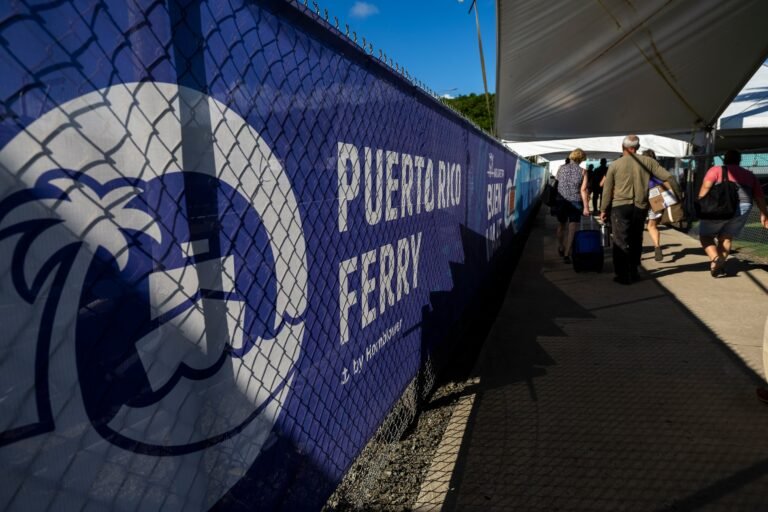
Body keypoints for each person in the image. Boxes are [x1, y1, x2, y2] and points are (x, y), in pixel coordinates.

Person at [599, 135, 679, 284]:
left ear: (624, 147)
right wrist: (677, 197)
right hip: (640, 206)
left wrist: (603, 209)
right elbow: (669, 177)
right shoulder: (649, 162)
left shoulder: (615, 165)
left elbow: (607, 189)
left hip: (620, 207)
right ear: (637, 147)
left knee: (620, 241)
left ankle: (622, 275)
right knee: (636, 239)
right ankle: (634, 271)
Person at [698, 149, 768, 277]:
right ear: (739, 160)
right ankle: (718, 265)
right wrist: (764, 213)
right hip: (744, 207)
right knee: (726, 237)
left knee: (706, 236)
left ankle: (715, 259)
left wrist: (701, 204)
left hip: (719, 207)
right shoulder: (749, 175)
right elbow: (759, 197)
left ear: (725, 159)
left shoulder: (716, 170)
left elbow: (705, 188)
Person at [555, 149, 590, 263]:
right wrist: (586, 207)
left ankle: (561, 246)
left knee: (561, 225)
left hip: (561, 200)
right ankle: (567, 254)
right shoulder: (583, 171)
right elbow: (583, 190)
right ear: (581, 159)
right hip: (575, 201)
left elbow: (557, 182)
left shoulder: (561, 168)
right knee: (572, 228)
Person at [642, 149, 664, 261]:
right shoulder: (658, 168)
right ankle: (657, 246)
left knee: (638, 226)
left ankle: (637, 252)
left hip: (642, 196)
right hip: (657, 195)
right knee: (652, 226)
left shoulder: (640, 167)